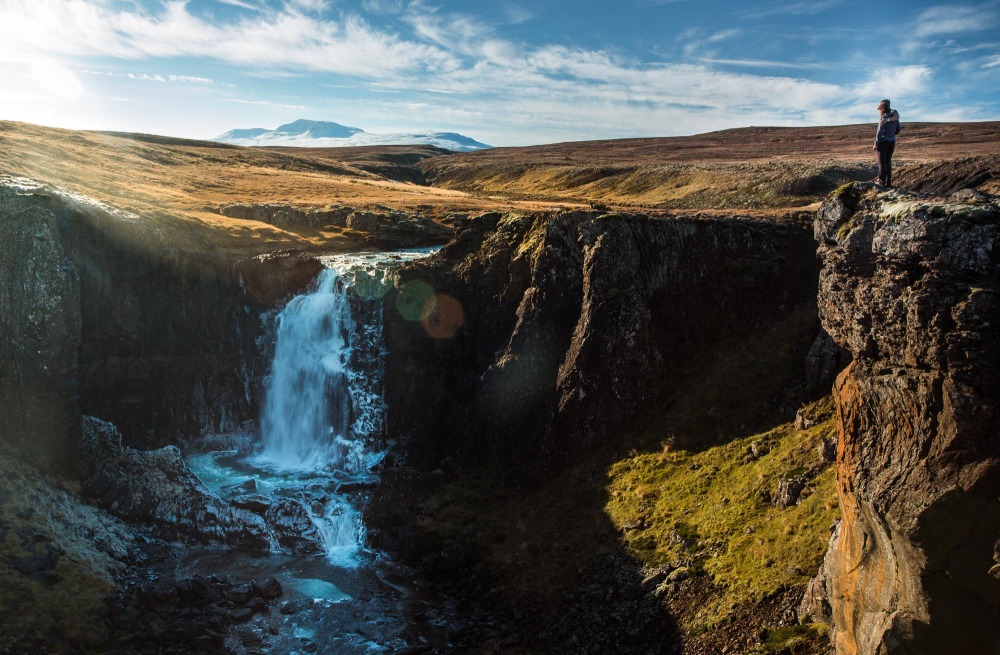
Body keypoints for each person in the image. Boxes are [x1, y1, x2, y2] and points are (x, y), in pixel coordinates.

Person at [873, 98, 899, 186]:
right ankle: (889, 182)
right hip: (892, 141)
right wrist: (892, 134)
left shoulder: (883, 117)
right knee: (888, 161)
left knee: (881, 162)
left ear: (882, 108)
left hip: (882, 142)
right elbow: (898, 129)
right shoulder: (894, 116)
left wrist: (876, 144)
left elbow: (879, 132)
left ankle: (881, 181)